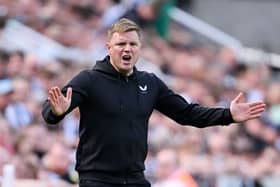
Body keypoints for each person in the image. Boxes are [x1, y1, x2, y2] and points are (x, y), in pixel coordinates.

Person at [42, 18, 266, 187]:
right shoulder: (89, 80)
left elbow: (187, 114)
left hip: (136, 178)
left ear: (139, 48)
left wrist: (228, 114)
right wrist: (56, 112)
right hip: (97, 180)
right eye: (121, 44)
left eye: (132, 44)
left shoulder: (150, 83)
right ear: (109, 47)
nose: (127, 49)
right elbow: (50, 110)